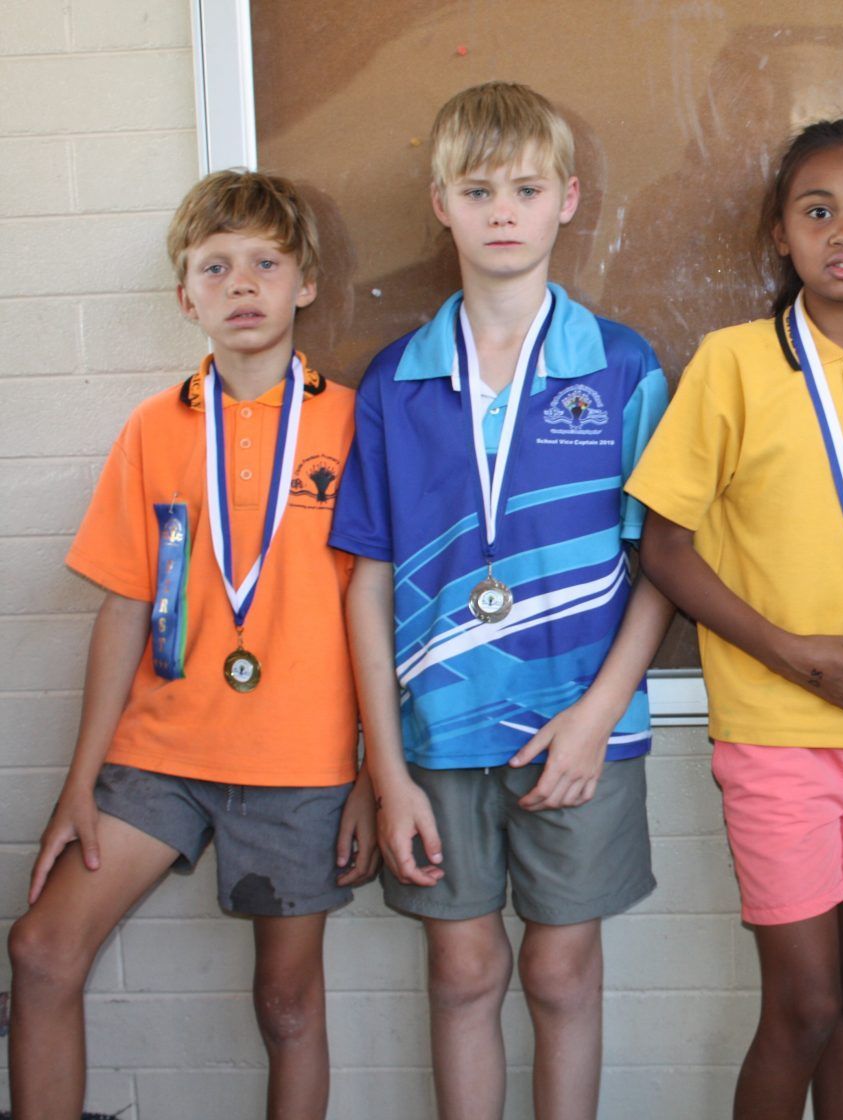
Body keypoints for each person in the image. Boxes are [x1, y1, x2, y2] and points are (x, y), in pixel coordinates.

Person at [330, 81, 673, 1120]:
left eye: (525, 188)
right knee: (464, 975)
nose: (503, 211)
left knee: (563, 978)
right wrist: (384, 773)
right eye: (477, 190)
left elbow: (662, 565)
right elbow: (369, 580)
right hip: (436, 740)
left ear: (567, 199)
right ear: (441, 204)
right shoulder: (394, 380)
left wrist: (598, 713)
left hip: (579, 733)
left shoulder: (621, 368)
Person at [7, 169, 377, 1120]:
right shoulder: (153, 428)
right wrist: (79, 785)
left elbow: (382, 614)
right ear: (186, 297)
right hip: (161, 753)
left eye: (265, 262)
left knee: (287, 1004)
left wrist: (375, 776)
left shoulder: (352, 423)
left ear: (305, 284)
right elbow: (124, 608)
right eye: (215, 267)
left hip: (301, 765)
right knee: (41, 952)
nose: (241, 284)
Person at [629, 118, 843, 1120]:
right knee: (805, 1002)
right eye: (817, 211)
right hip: (777, 736)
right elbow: (664, 548)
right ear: (781, 233)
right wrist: (793, 656)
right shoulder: (732, 363)